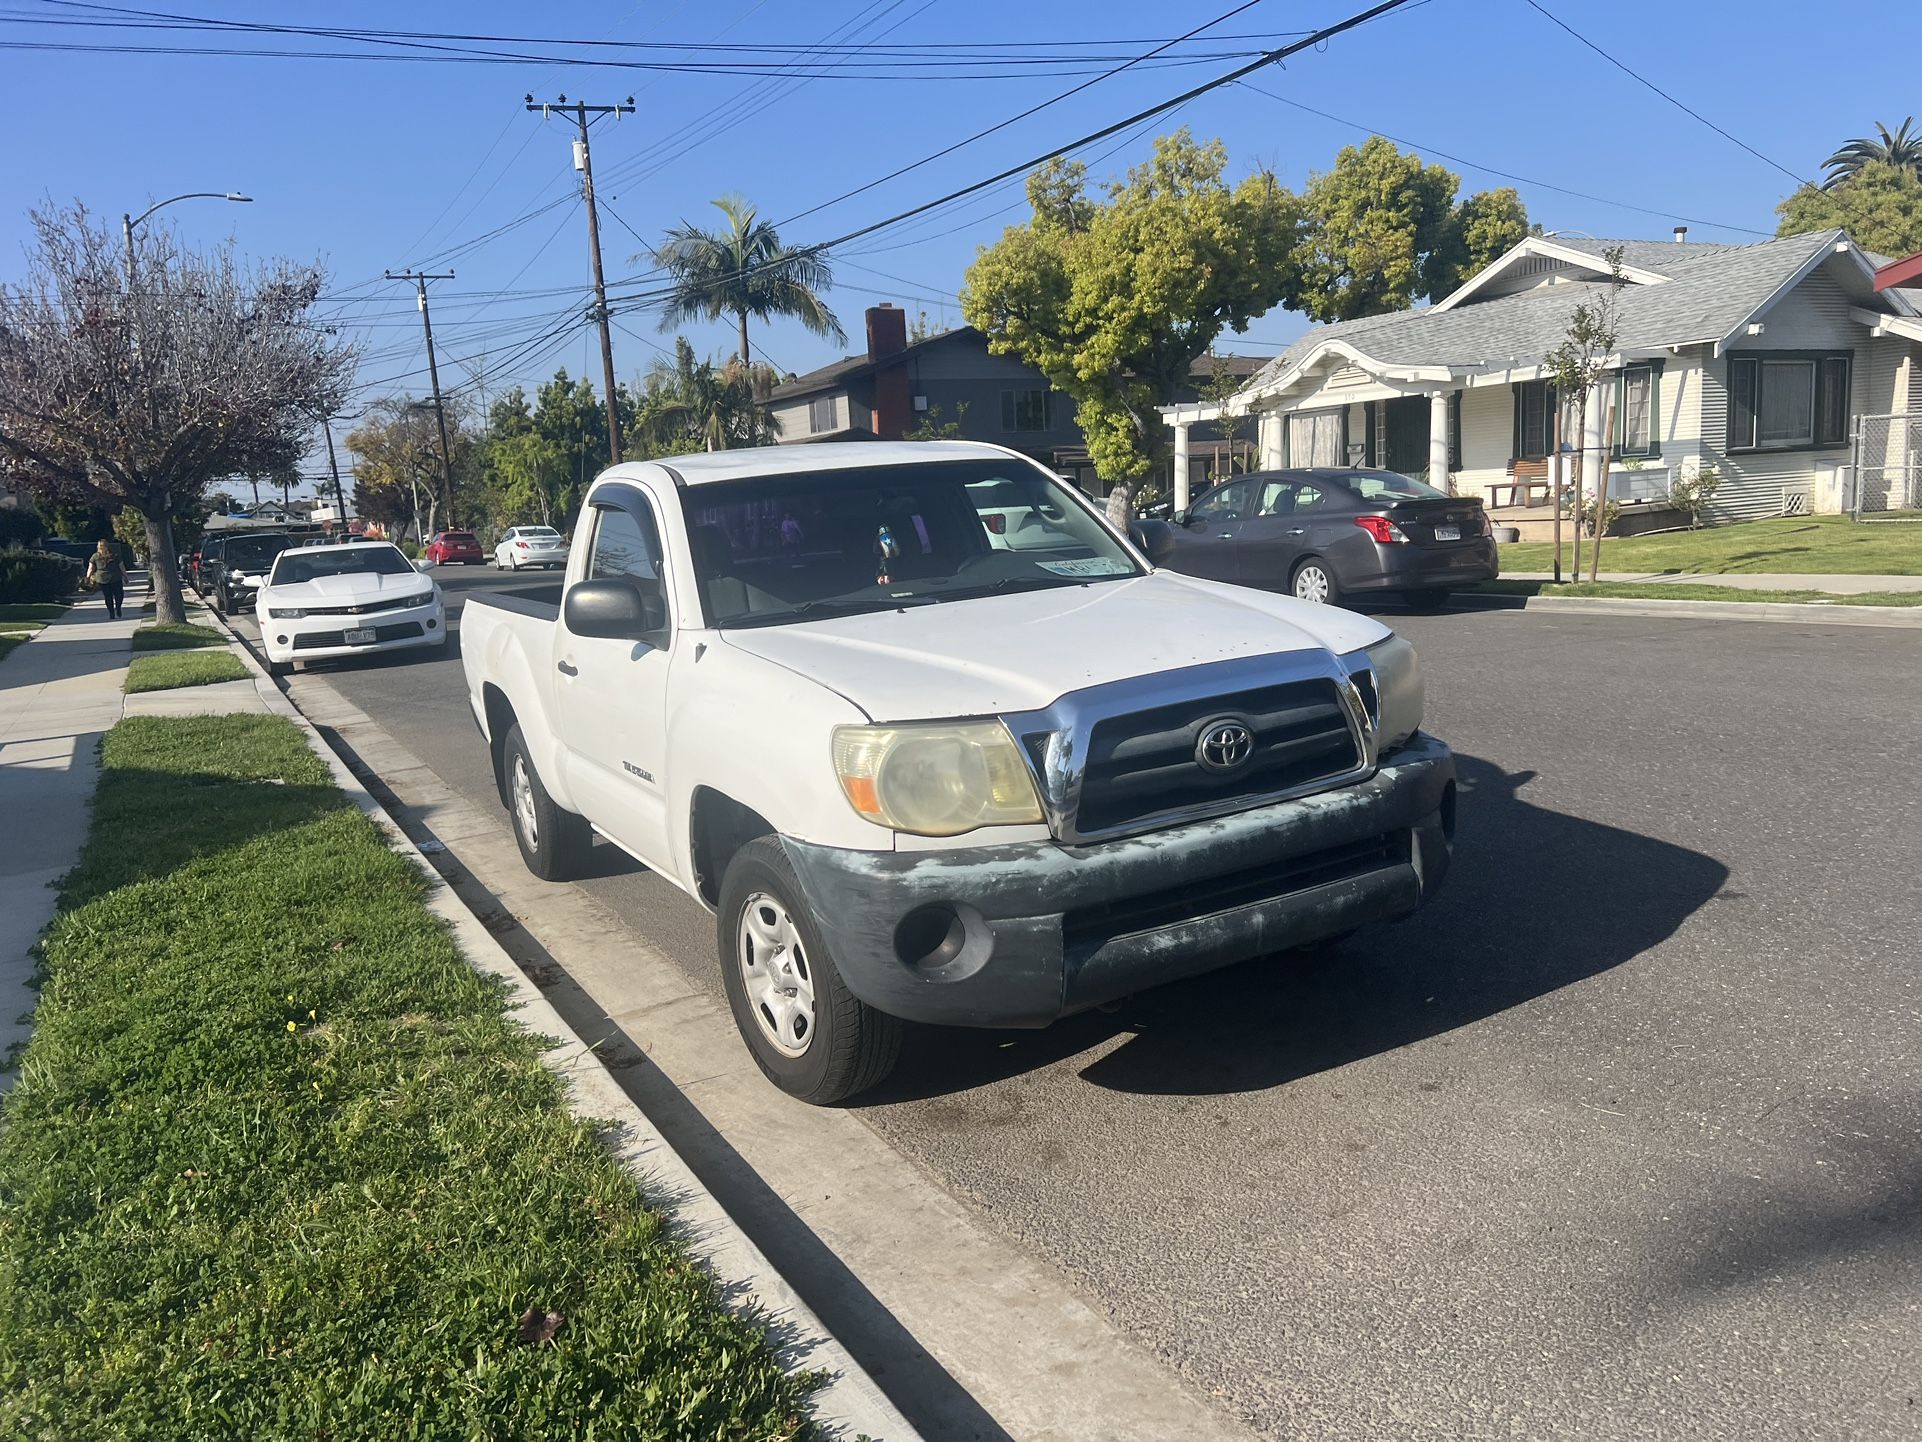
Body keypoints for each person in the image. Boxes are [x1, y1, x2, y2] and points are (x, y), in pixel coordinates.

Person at [86, 539, 126, 619]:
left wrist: (87, 578)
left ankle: (112, 612)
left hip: (105, 579)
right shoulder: (113, 555)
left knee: (108, 596)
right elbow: (121, 566)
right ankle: (117, 608)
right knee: (119, 595)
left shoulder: (112, 555)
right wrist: (125, 576)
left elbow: (90, 568)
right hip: (114, 578)